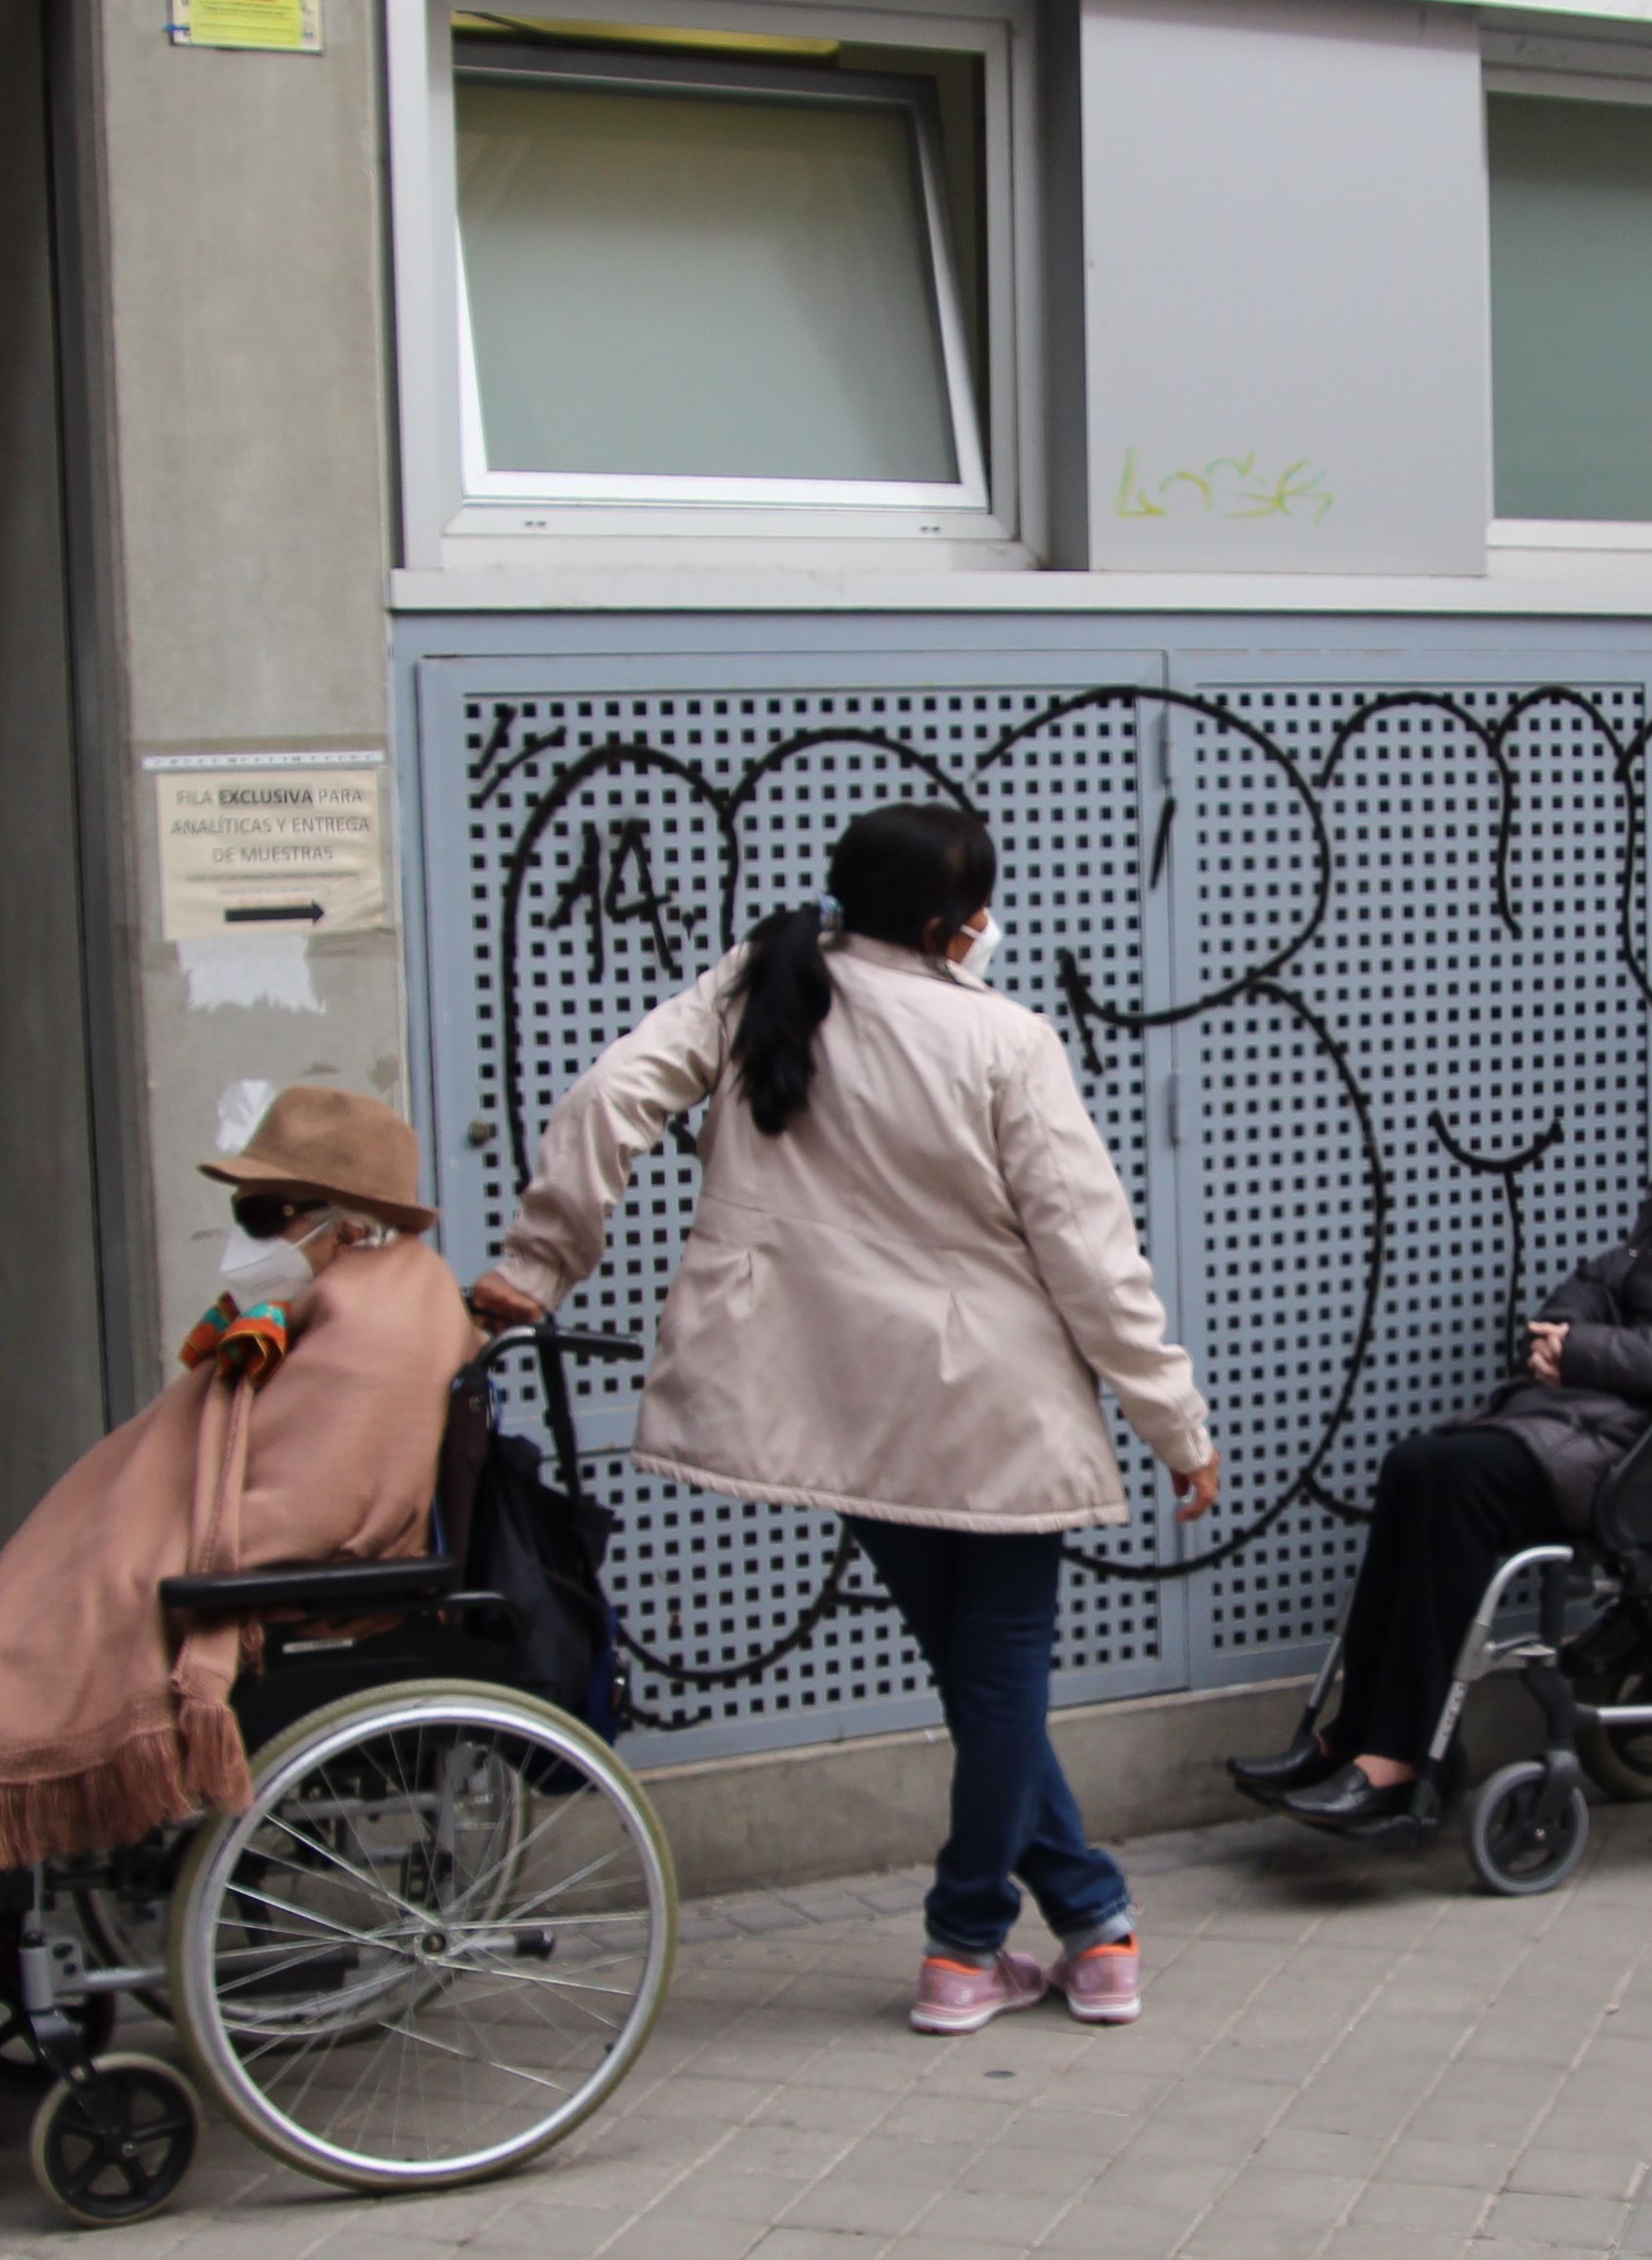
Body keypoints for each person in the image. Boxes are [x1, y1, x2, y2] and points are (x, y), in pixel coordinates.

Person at [474, 804, 1219, 2035]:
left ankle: (1095, 1925)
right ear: (949, 925)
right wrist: (1175, 1422)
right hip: (992, 1410)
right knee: (999, 1683)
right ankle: (966, 1946)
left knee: (981, 1687)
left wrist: (539, 1263)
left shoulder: (762, 982)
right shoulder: (1004, 1038)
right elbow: (1092, 1256)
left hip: (839, 1403)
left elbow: (610, 1095)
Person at [0, 1084, 476, 2148]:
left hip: (223, 1588)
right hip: (171, 1557)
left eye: (262, 1212)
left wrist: (138, 1556)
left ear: (341, 1218)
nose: (246, 1236)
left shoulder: (374, 1323)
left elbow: (304, 1509)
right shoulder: (343, 1298)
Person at [1236, 1032, 1652, 1834]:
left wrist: (1590, 1355)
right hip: (1625, 1426)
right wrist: (1562, 1334)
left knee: (1458, 1481)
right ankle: (1354, 1738)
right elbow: (1603, 1281)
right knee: (1415, 1467)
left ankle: (1399, 1761)